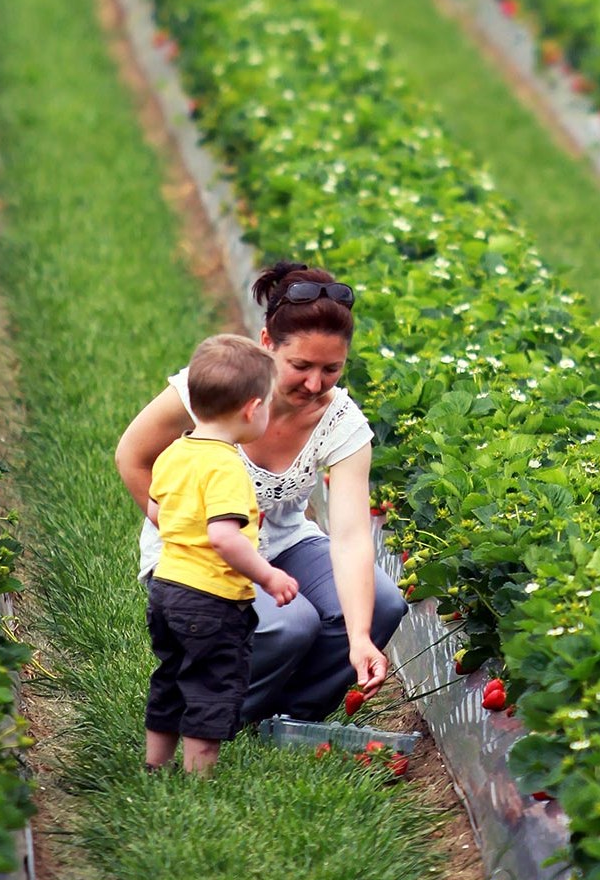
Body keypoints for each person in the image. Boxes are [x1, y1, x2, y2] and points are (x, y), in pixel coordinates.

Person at [116, 260, 408, 726]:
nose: (315, 384)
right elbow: (132, 455)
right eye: (301, 366)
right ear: (267, 343)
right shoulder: (215, 388)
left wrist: (359, 637)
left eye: (332, 368)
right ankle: (210, 715)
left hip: (284, 543)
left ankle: (290, 718)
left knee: (384, 603)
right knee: (291, 626)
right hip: (201, 549)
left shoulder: (342, 423)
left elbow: (351, 537)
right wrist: (177, 525)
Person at [143, 333, 298, 775]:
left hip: (166, 587)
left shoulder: (176, 451)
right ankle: (199, 781)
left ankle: (155, 765)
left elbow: (158, 510)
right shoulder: (226, 464)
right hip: (210, 598)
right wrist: (268, 576)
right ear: (252, 408)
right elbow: (223, 538)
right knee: (211, 685)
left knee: (171, 677)